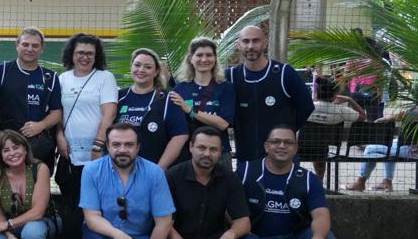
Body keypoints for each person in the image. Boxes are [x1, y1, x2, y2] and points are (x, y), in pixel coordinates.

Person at [240, 125, 337, 239]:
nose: (282, 146)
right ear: (266, 146)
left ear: (296, 148)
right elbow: (230, 211)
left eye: (288, 142)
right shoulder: (246, 172)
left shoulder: (309, 179)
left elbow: (321, 215)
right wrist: (249, 236)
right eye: (276, 141)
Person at [79, 123, 174, 239]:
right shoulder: (91, 170)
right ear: (108, 146)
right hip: (106, 236)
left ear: (138, 147)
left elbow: (163, 223)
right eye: (116, 145)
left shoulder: (155, 173)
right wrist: (118, 235)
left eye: (129, 145)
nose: (122, 150)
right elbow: (91, 217)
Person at [54, 33, 118, 239]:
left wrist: (98, 145)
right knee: (71, 210)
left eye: (90, 53)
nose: (85, 57)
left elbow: (109, 113)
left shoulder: (104, 78)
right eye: (80, 52)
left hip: (96, 156)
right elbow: (56, 112)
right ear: (72, 53)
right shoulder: (62, 79)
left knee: (91, 209)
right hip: (69, 156)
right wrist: (59, 136)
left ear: (96, 56)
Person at [227, 26, 314, 164]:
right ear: (239, 45)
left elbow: (307, 106)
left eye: (255, 41)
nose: (250, 46)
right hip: (246, 154)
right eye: (246, 41)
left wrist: (286, 131)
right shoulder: (231, 76)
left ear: (265, 43)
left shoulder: (284, 73)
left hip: (281, 156)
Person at [0, 28, 62, 166]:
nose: (30, 49)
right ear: (17, 45)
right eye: (25, 44)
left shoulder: (51, 77)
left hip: (40, 147)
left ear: (42, 48)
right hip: (8, 146)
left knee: (38, 185)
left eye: (35, 45)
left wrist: (41, 125)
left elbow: (57, 112)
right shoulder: (0, 72)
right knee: (9, 186)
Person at [347, 83, 418, 192]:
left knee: (370, 149)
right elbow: (404, 114)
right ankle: (386, 182)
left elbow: (403, 115)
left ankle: (360, 182)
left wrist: (385, 119)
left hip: (415, 150)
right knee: (389, 146)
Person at [169, 36, 236, 169]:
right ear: (191, 58)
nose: (204, 59)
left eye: (209, 55)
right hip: (188, 153)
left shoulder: (225, 87)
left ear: (215, 59)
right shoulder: (180, 88)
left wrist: (191, 111)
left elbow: (222, 124)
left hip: (219, 154)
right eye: (199, 55)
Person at [116, 47, 188, 167]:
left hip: (154, 170)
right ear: (131, 67)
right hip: (121, 170)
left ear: (156, 72)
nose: (141, 70)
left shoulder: (167, 99)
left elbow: (180, 136)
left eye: (148, 67)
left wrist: (158, 169)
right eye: (137, 65)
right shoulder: (118, 97)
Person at [304, 75, 365, 178]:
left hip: (300, 149)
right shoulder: (340, 111)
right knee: (321, 146)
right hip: (322, 151)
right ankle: (319, 180)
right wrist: (349, 100)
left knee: (316, 144)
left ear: (317, 93)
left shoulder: (306, 107)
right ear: (335, 95)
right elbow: (363, 116)